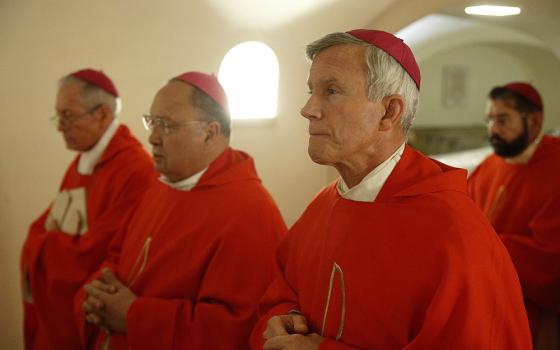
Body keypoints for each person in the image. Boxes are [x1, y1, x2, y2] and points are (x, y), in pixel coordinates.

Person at [249, 29, 532, 350]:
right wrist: (286, 317)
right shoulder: (324, 204)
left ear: (389, 112)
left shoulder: (452, 234)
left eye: (331, 90)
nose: (307, 109)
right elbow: (281, 292)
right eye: (311, 90)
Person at [77, 71, 287, 350]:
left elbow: (233, 328)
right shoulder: (160, 185)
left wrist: (133, 316)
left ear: (209, 133)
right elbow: (118, 254)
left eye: (166, 125)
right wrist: (100, 295)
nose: (152, 138)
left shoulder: (250, 212)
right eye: (151, 122)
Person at [20, 68, 157, 350]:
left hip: (90, 315)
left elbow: (98, 253)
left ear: (103, 114)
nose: (60, 126)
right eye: (58, 116)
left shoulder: (135, 169)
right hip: (60, 314)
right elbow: (42, 226)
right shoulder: (83, 162)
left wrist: (42, 245)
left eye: (67, 116)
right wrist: (42, 241)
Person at [468, 82, 560, 349]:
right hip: (484, 299)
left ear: (534, 121)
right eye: (489, 120)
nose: (493, 129)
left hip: (530, 309)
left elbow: (550, 257)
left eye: (503, 119)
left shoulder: (555, 167)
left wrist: (486, 247)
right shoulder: (488, 166)